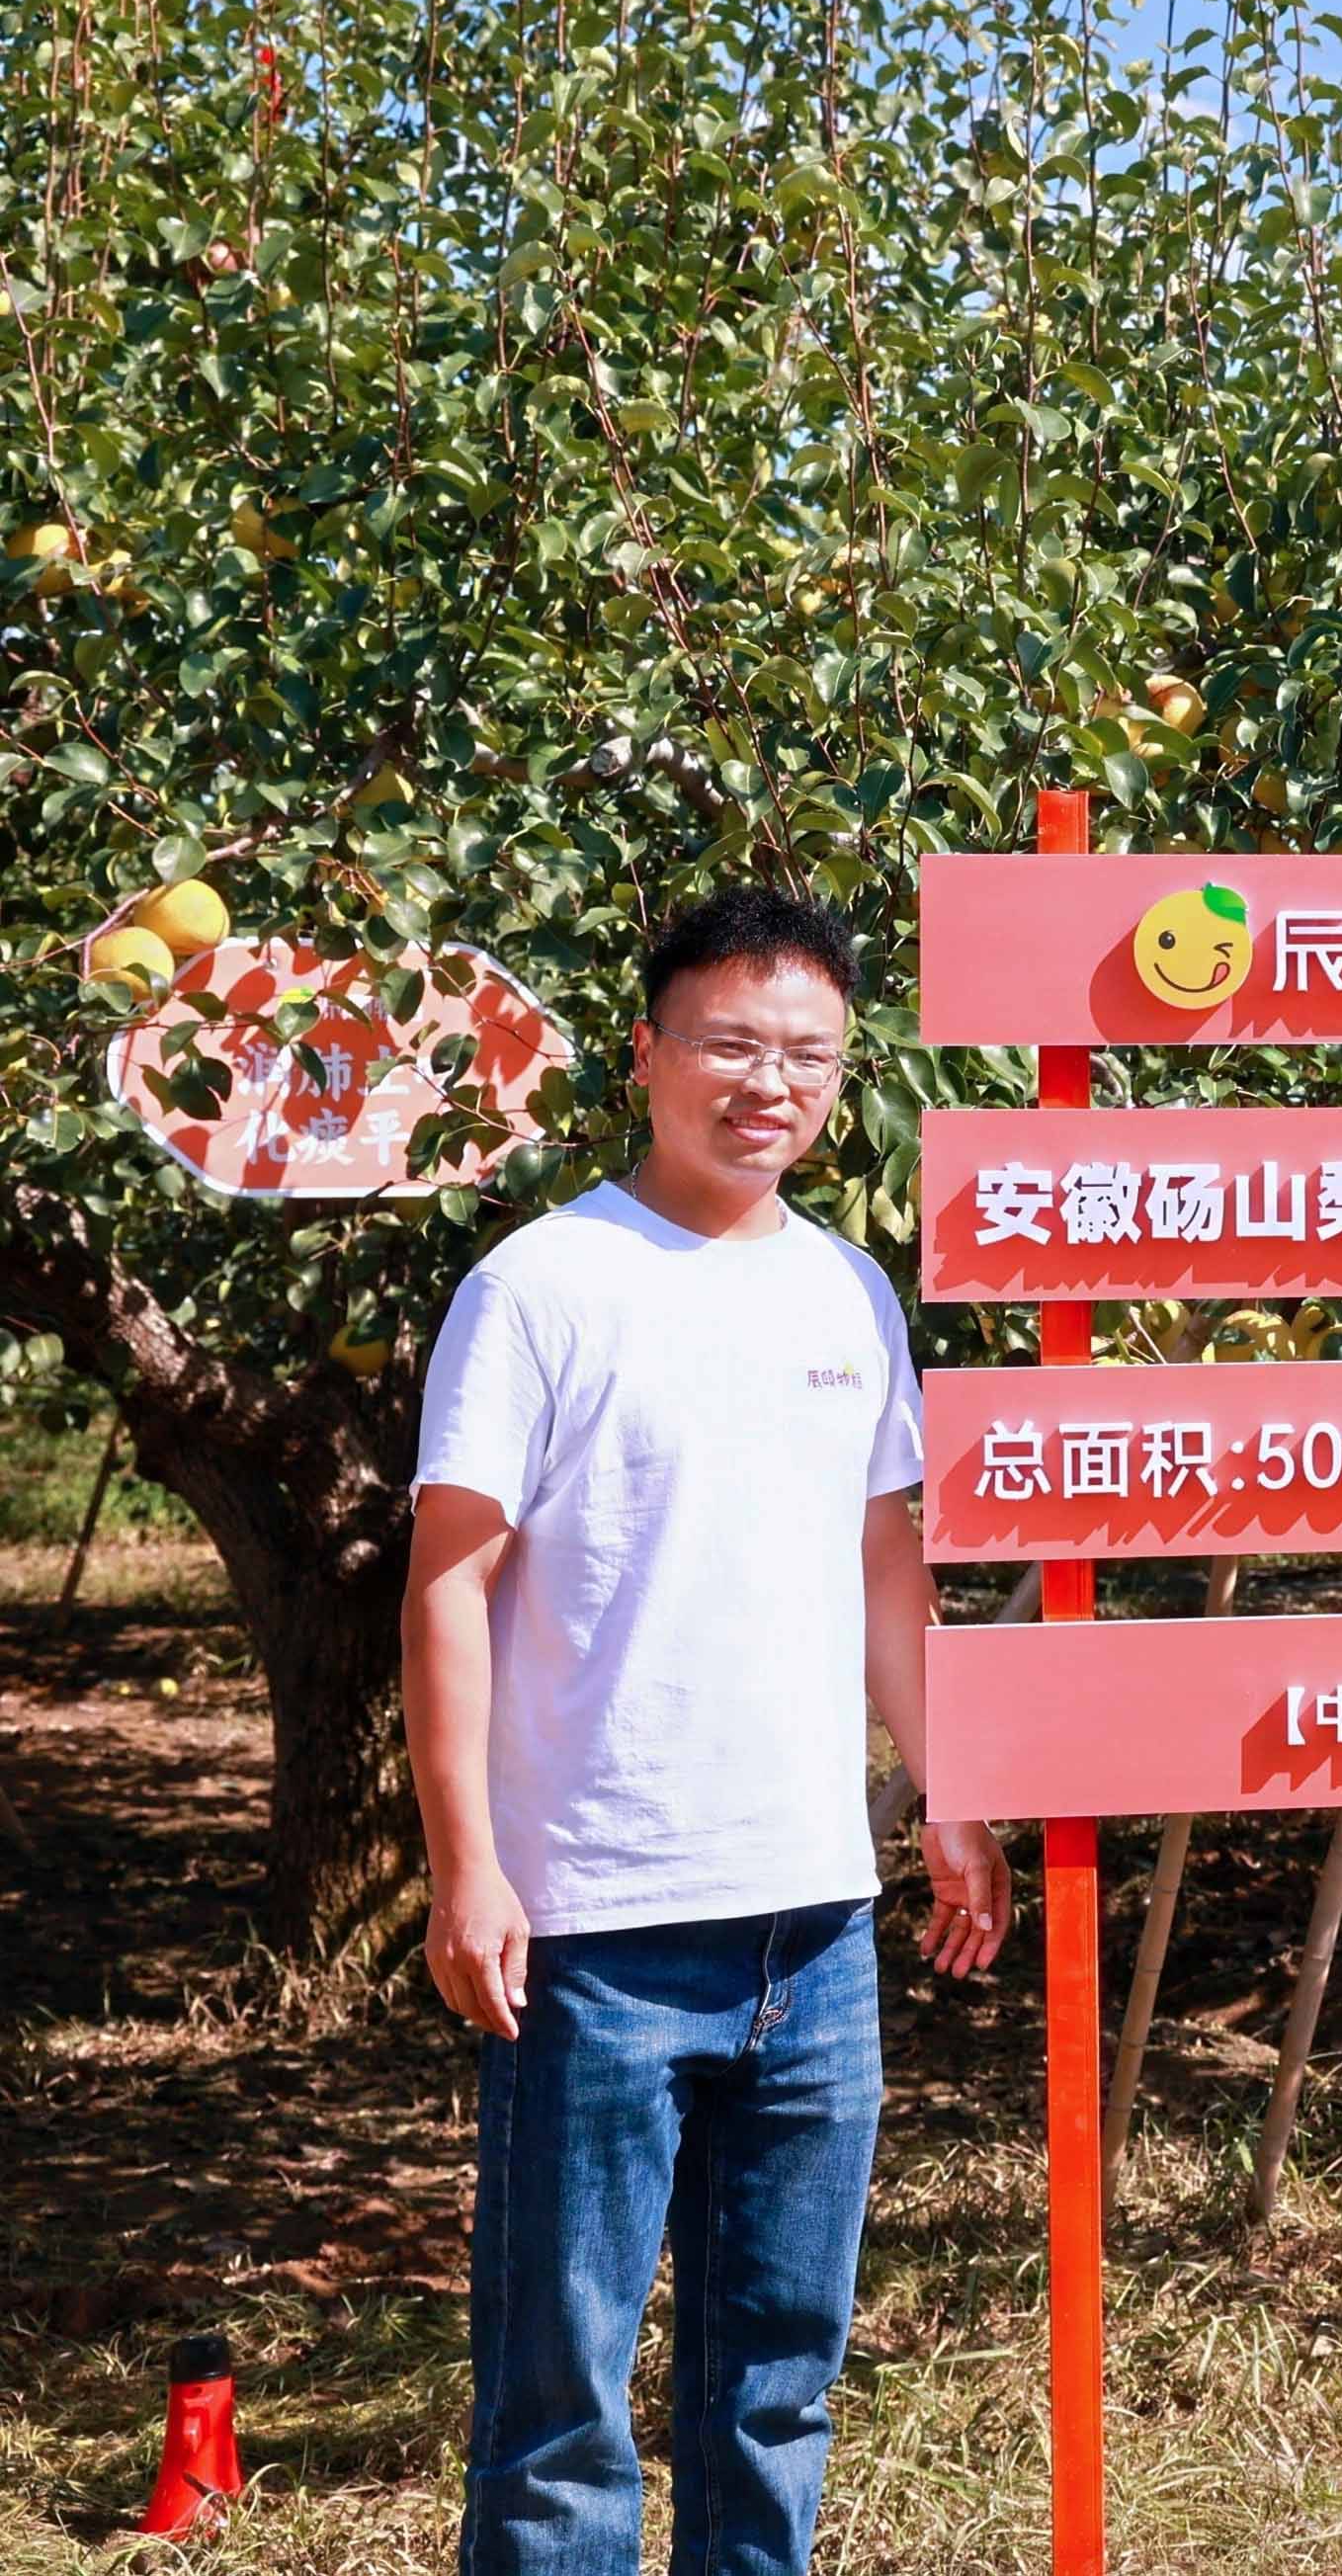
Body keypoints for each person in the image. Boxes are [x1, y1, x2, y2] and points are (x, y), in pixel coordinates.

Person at [403, 884, 1008, 2576]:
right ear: (651, 1053)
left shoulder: (851, 1296)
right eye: (732, 1043)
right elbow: (446, 1587)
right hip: (593, 1926)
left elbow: (893, 1576)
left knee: (779, 2387)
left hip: (814, 1926)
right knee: (561, 2408)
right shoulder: (542, 1285)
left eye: (807, 1054)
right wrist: (470, 1868)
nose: (771, 1082)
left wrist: (949, 1799)